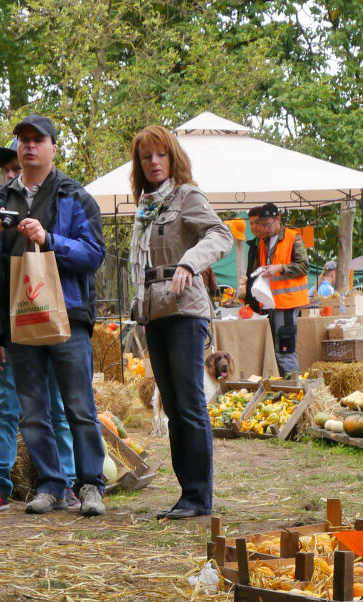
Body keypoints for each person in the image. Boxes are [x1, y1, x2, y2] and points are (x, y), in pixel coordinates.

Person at [0, 113, 107, 516]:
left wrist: (49, 239)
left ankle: (89, 486)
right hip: (19, 321)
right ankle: (50, 485)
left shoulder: (75, 196)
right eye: (23, 139)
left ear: (54, 146)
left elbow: (94, 255)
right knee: (32, 411)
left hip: (68, 317)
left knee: (79, 408)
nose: (29, 146)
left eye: (38, 139)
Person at [0, 135, 77, 513]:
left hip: (48, 322)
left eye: (19, 167)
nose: (14, 173)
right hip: (10, 330)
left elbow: (73, 260)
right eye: (9, 169)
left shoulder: (54, 204)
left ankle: (68, 483)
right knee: (8, 407)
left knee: (58, 407)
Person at [129, 123, 232, 521]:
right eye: (146, 157)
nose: (154, 162)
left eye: (161, 155)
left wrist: (190, 262)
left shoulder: (187, 195)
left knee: (189, 403)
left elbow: (220, 234)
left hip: (185, 309)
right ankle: (185, 494)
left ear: (172, 157)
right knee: (171, 403)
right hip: (154, 311)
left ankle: (198, 496)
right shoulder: (144, 204)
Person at [241, 201, 309, 376]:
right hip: (271, 303)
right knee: (279, 349)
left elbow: (303, 266)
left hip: (288, 302)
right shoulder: (263, 242)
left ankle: (295, 389)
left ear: (278, 219)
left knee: (285, 350)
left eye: (268, 224)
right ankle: (290, 387)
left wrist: (279, 268)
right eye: (263, 225)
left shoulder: (293, 237)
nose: (266, 228)